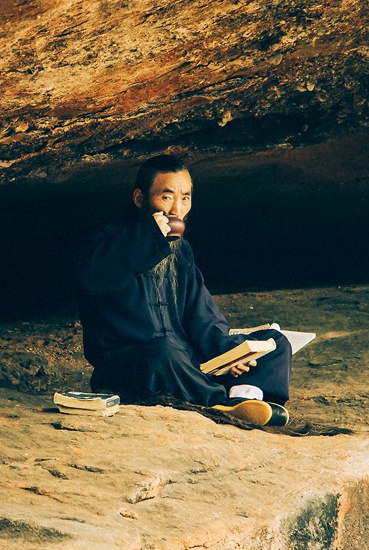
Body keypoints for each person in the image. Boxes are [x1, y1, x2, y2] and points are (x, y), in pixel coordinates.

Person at [75, 154, 291, 427]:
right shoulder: (107, 241)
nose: (176, 209)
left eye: (185, 198)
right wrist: (151, 240)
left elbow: (203, 315)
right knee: (163, 350)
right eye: (166, 198)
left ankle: (245, 397)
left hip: (187, 366)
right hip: (134, 367)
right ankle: (218, 402)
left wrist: (230, 352)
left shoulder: (182, 251)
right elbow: (95, 279)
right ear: (140, 199)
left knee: (275, 341)